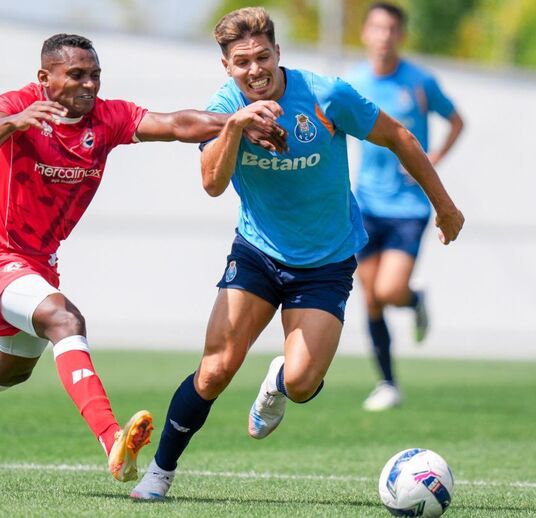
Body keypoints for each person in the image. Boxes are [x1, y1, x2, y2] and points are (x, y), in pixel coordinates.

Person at [0, 33, 286, 488]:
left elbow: (175, 124)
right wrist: (17, 121)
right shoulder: (19, 103)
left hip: (37, 267)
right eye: (76, 74)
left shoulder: (107, 117)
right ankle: (113, 441)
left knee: (11, 368)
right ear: (45, 78)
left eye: (95, 74)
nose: (89, 84)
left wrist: (235, 122)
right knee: (66, 320)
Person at [130, 7, 464, 500]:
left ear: (278, 53)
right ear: (226, 67)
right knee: (217, 367)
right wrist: (236, 126)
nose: (255, 70)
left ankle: (278, 382)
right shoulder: (222, 107)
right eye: (242, 62)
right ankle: (159, 473)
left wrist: (445, 206)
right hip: (259, 253)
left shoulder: (326, 95)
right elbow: (212, 185)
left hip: (325, 262)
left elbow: (399, 137)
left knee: (303, 383)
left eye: (262, 56)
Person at [345, 2, 465, 412]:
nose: (384, 36)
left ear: (401, 36)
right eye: (377, 28)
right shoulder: (353, 83)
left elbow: (457, 121)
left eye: (392, 29)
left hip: (408, 207)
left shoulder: (418, 82)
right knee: (371, 297)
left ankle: (414, 301)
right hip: (365, 204)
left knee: (390, 289)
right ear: (365, 34)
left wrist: (432, 161)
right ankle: (387, 383)